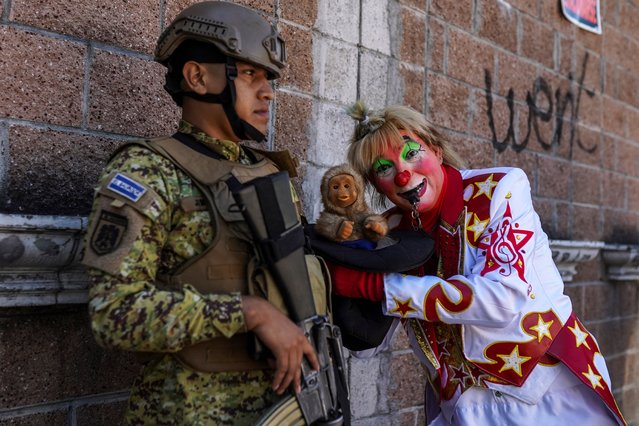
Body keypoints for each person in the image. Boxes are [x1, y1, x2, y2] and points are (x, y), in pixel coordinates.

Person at [81, 2, 323, 424]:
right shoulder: (148, 172)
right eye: (249, 73)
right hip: (186, 412)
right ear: (197, 76)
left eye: (269, 78)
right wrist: (249, 313)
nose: (267, 91)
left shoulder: (269, 172)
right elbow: (113, 314)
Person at [329, 101, 626, 425]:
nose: (403, 173)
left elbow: (503, 297)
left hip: (549, 399)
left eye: (412, 152)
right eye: (384, 168)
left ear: (437, 151)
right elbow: (366, 345)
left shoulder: (501, 190)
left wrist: (372, 285)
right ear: (377, 186)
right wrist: (340, 271)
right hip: (463, 411)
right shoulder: (390, 233)